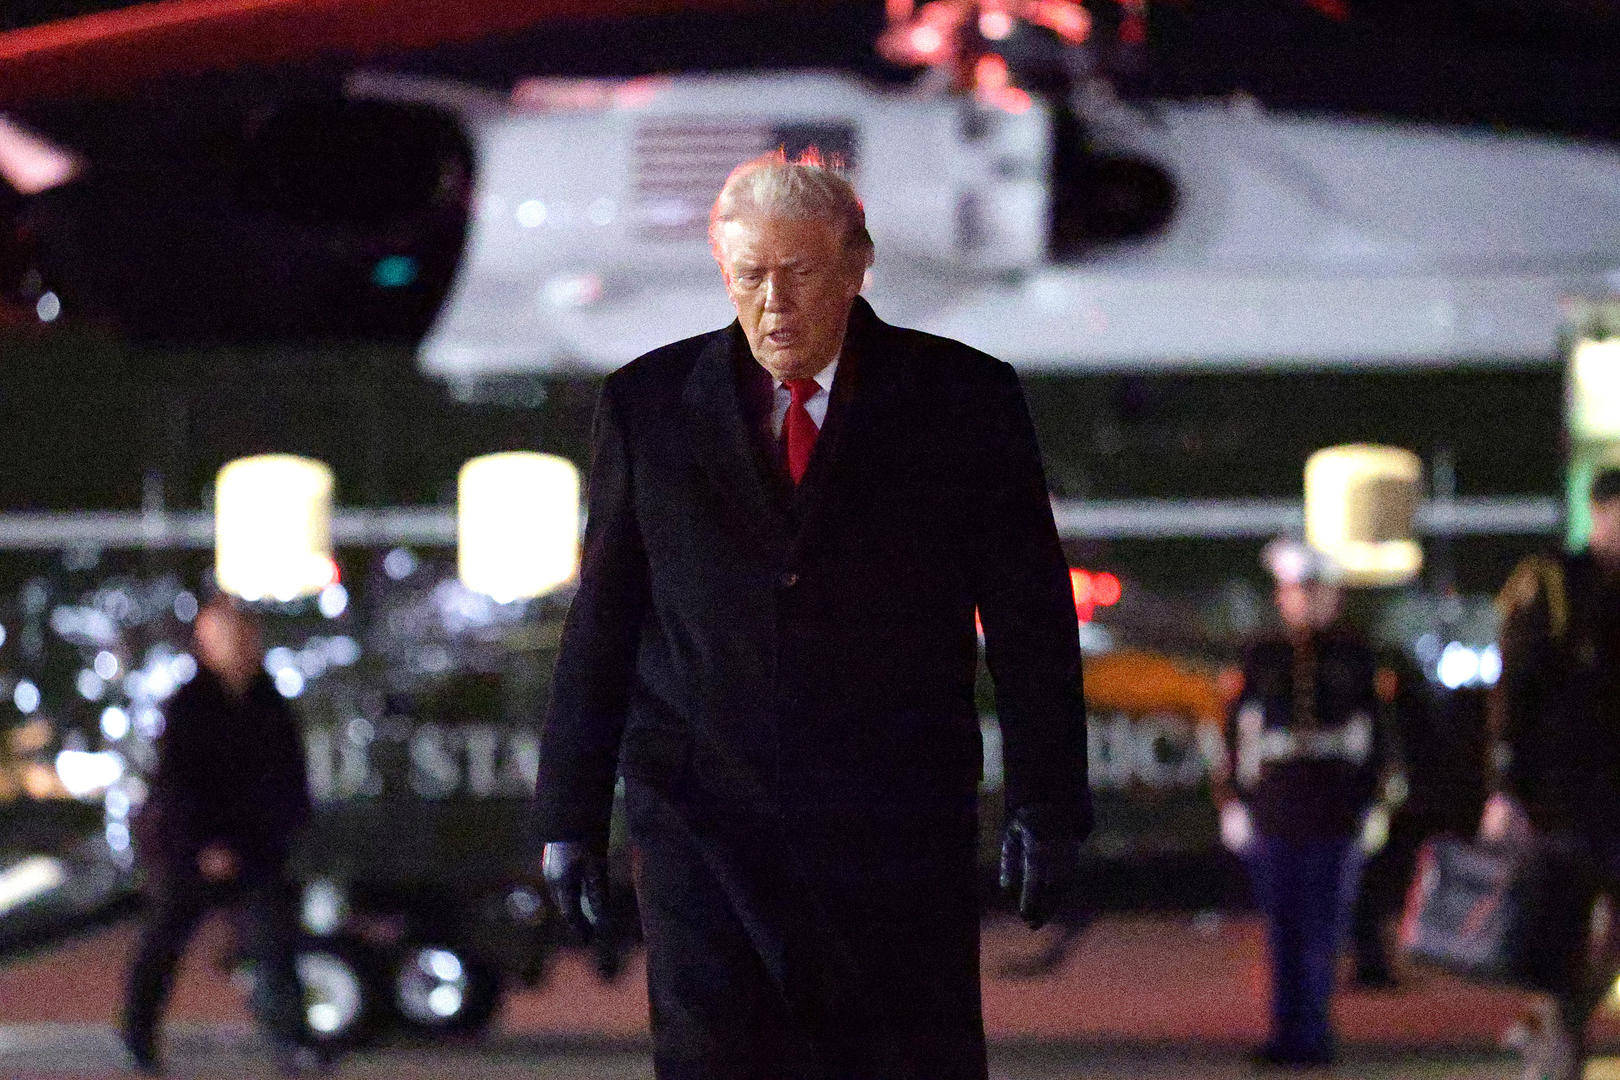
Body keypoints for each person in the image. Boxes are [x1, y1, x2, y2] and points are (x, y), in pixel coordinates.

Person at [535, 150, 1091, 1080]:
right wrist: (568, 812)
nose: (774, 303)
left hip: (893, 825)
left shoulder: (963, 398)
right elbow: (604, 620)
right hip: (701, 822)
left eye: (797, 273)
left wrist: (1049, 802)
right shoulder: (648, 406)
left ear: (856, 265)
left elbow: (1030, 615)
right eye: (749, 276)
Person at [1218, 538, 1401, 1068]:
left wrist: (1376, 804)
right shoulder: (1262, 655)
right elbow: (1238, 733)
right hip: (1276, 808)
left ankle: (1314, 1035)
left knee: (1324, 929)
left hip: (1335, 809)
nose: (1305, 601)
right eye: (1296, 591)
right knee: (1283, 930)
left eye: (1315, 591)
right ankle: (1286, 1034)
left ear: (1333, 597)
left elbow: (1378, 737)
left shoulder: (1356, 654)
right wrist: (1233, 801)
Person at [122, 593, 317, 1075]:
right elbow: (176, 786)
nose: (239, 645)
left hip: (256, 851)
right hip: (190, 852)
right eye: (225, 636)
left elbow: (289, 779)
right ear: (205, 643)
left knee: (275, 946)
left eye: (244, 635)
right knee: (163, 942)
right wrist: (204, 846)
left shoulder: (270, 702)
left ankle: (292, 1042)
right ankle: (138, 1035)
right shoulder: (189, 705)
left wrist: (277, 837)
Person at [1482, 467, 1620, 1080]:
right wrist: (1505, 787)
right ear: (1599, 512)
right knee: (1560, 930)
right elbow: (1514, 689)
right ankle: (1558, 1043)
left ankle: (1558, 1030)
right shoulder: (1553, 582)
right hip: (1562, 793)